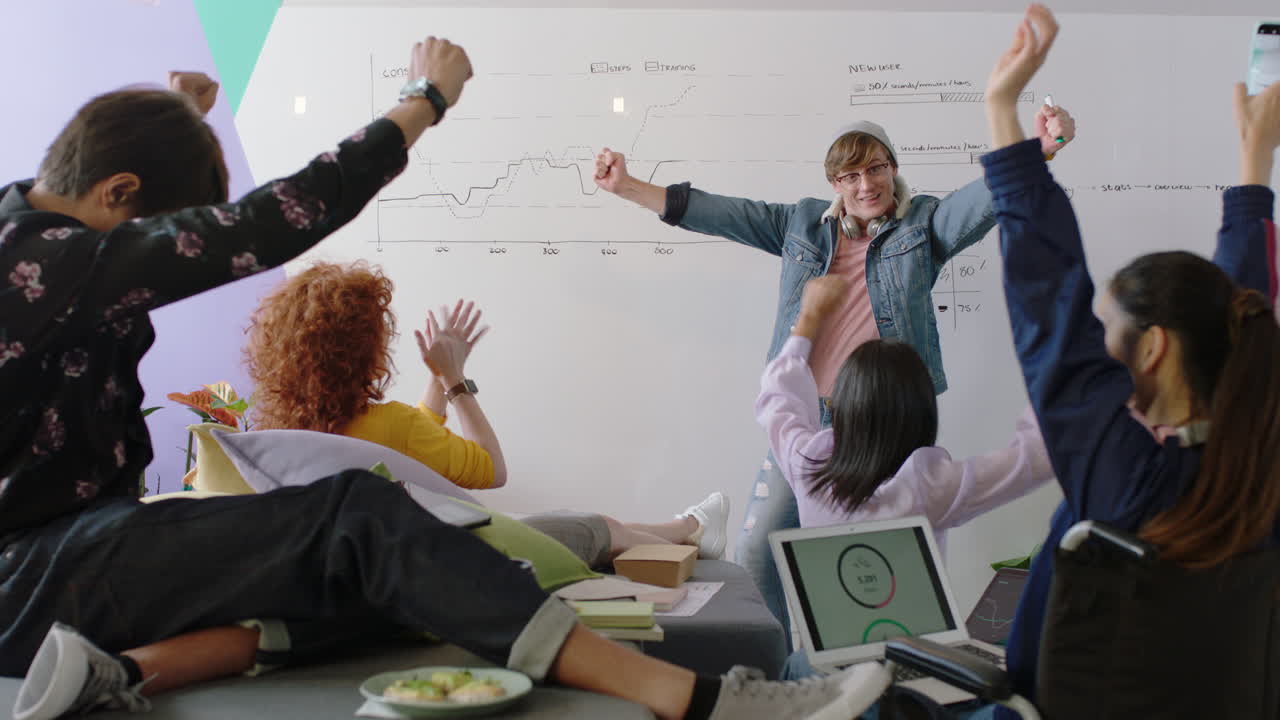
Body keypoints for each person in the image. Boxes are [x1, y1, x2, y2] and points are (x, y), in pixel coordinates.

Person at [2, 40, 863, 720]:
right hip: (34, 570)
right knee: (363, 516)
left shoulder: (50, 254)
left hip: (69, 559)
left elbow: (122, 188)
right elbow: (265, 225)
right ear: (116, 194)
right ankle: (699, 701)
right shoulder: (37, 264)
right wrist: (425, 100)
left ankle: (119, 676)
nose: (161, 265)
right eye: (153, 239)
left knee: (380, 574)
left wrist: (174, 119)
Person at [866, 6, 1280, 718]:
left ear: (1154, 348)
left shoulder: (1127, 473)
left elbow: (1047, 296)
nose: (1097, 342)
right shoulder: (1257, 466)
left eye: (1108, 329)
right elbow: (1237, 317)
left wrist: (1002, 110)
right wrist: (1253, 167)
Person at [592, 87, 1076, 637]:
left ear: (893, 169)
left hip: (887, 422)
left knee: (885, 562)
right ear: (834, 185)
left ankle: (891, 658)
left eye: (876, 169)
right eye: (850, 176)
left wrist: (1041, 148)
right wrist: (627, 186)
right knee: (757, 551)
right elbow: (718, 212)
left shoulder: (923, 227)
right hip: (811, 422)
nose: (866, 185)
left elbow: (983, 198)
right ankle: (778, 665)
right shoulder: (801, 225)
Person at [241, 260, 730, 566]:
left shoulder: (276, 434)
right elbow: (492, 470)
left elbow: (416, 448)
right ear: (365, 350)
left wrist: (437, 376)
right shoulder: (390, 424)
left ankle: (689, 528)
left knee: (586, 523)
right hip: (450, 561)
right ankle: (690, 530)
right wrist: (455, 381)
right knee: (596, 526)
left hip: (383, 563)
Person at [759, 274, 1054, 679]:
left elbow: (779, 399)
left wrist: (809, 318)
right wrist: (1054, 358)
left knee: (794, 666)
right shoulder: (931, 488)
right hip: (909, 672)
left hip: (829, 671)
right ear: (923, 414)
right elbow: (1033, 457)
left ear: (841, 406)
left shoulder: (810, 467)